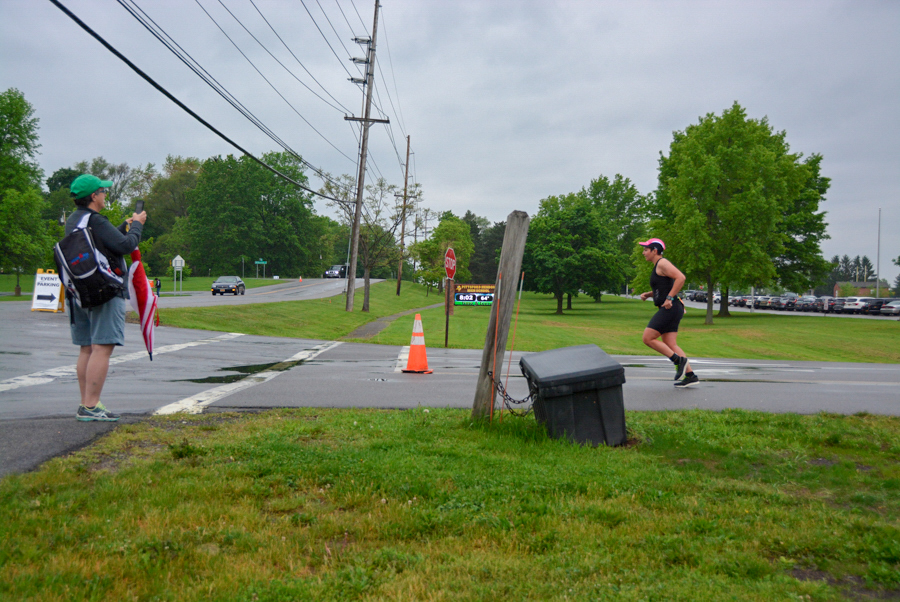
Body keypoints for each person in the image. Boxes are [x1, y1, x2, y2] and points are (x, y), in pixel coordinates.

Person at [66, 174, 147, 421]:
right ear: (94, 196)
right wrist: (137, 225)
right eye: (103, 191)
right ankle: (92, 406)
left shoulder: (75, 219)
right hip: (105, 289)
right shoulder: (96, 220)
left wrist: (122, 227)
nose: (105, 194)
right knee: (102, 347)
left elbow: (101, 243)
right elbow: (125, 246)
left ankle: (86, 403)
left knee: (87, 348)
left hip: (79, 289)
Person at [637, 238, 699, 388]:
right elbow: (663, 288)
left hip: (671, 307)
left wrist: (669, 298)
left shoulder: (662, 263)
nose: (643, 253)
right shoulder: (658, 266)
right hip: (672, 308)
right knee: (670, 343)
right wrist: (649, 294)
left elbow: (681, 278)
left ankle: (678, 361)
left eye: (646, 250)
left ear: (654, 251)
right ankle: (690, 376)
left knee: (648, 338)